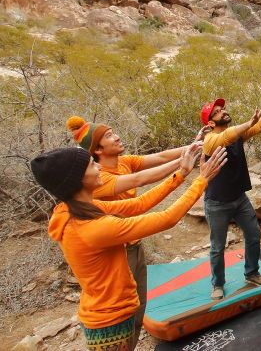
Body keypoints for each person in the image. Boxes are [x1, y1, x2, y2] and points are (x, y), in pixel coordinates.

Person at [34, 143, 227, 351]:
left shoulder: (76, 209)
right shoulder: (91, 228)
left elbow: (138, 204)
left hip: (110, 313)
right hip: (110, 322)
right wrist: (202, 180)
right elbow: (167, 218)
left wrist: (181, 173)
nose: (98, 167)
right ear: (77, 179)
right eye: (91, 165)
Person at [66, 115, 204, 343]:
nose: (117, 136)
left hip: (133, 244)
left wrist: (191, 147)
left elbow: (158, 158)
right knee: (125, 314)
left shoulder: (123, 162)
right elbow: (140, 181)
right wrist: (185, 165)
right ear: (97, 150)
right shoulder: (101, 182)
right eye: (109, 135)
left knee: (139, 307)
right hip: (117, 248)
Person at [199, 93, 261, 300]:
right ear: (211, 122)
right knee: (218, 247)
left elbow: (258, 127)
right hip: (217, 203)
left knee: (254, 234)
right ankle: (218, 284)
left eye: (222, 109)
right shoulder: (210, 140)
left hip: (239, 198)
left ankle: (252, 273)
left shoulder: (235, 133)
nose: (223, 111)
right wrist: (249, 122)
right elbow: (226, 137)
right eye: (217, 112)